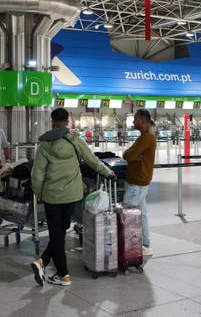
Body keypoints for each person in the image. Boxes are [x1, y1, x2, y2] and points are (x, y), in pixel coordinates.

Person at [30, 108, 115, 287]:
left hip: (52, 196)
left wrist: (39, 194)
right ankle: (44, 264)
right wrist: (107, 171)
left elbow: (37, 175)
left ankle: (61, 274)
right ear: (67, 121)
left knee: (56, 235)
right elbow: (91, 159)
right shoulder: (75, 140)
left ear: (52, 121)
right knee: (60, 232)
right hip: (71, 195)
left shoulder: (45, 145)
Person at [122, 109, 156, 256]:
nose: (133, 122)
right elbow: (127, 153)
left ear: (142, 120)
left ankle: (129, 248)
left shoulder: (147, 137)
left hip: (137, 183)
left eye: (135, 119)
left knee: (127, 216)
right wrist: (131, 155)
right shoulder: (143, 137)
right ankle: (145, 243)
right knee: (142, 215)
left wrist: (132, 155)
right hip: (139, 182)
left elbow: (130, 155)